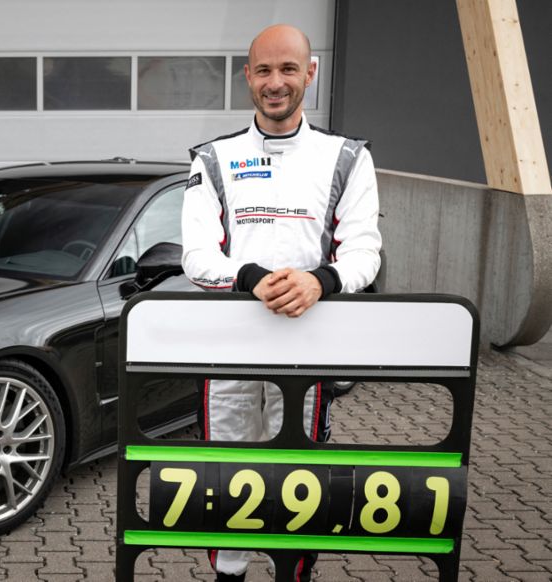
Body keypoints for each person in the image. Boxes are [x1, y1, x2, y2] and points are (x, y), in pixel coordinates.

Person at [181, 24, 382, 582]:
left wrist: (321, 281)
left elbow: (365, 252)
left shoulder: (346, 157)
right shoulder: (213, 159)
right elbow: (196, 255)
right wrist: (249, 277)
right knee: (227, 476)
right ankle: (230, 575)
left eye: (288, 69)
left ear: (310, 74)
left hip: (308, 349)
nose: (276, 82)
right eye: (264, 70)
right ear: (247, 76)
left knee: (299, 477)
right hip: (229, 353)